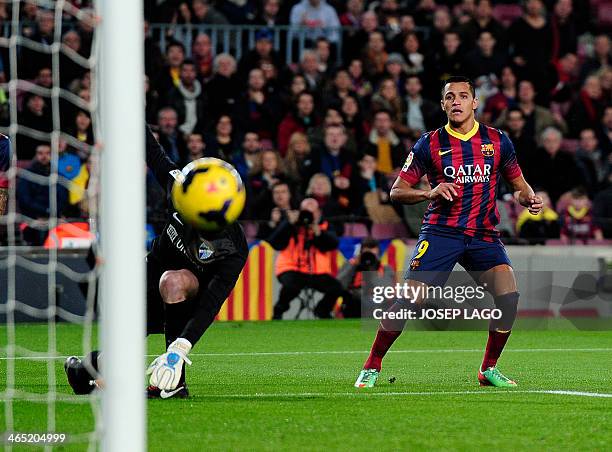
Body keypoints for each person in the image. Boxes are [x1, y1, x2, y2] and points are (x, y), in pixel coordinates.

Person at [354, 76, 543, 389]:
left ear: (474, 102)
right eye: (450, 97)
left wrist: (530, 199)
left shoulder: (497, 140)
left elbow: (519, 184)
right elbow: (397, 191)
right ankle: (371, 365)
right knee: (409, 300)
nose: (457, 102)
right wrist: (430, 192)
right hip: (442, 233)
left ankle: (488, 369)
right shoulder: (429, 143)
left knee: (508, 297)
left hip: (482, 234)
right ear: (442, 104)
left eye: (463, 96)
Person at [64, 126, 248, 398]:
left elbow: (212, 302)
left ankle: (174, 384)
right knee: (107, 365)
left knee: (174, 280)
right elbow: (154, 152)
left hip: (185, 299)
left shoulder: (232, 249)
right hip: (146, 281)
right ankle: (86, 371)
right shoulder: (180, 189)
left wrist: (179, 349)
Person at [267, 197, 343, 319]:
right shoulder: (290, 225)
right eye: (305, 211)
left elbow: (333, 244)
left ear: (318, 213)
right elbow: (274, 242)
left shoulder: (324, 226)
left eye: (311, 212)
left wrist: (319, 233)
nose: (307, 216)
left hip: (316, 272)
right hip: (290, 268)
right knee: (291, 285)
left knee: (337, 288)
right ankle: (279, 309)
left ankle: (322, 310)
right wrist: (289, 223)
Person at [17, 144, 69, 245]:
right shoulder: (27, 175)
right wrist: (40, 215)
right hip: (33, 218)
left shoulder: (58, 176)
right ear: (36, 155)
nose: (44, 156)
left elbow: (63, 198)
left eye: (47, 153)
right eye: (40, 153)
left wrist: (55, 214)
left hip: (55, 217)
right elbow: (25, 200)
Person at [337, 237, 394, 318]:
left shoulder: (385, 268)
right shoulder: (351, 264)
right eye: (367, 253)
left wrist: (372, 270)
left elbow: (387, 290)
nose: (369, 257)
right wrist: (353, 266)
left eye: (372, 254)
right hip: (355, 301)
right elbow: (339, 285)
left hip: (377, 301)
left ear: (378, 254)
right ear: (361, 253)